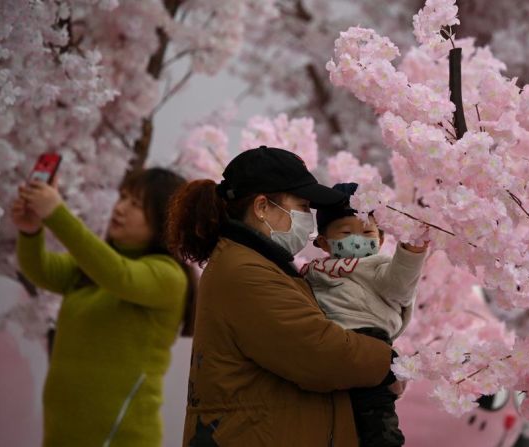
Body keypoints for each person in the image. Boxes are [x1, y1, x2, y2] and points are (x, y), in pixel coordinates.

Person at [166, 145, 398, 447]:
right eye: (302, 206)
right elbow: (321, 353)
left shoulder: (258, 263)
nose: (308, 219)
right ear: (262, 207)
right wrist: (389, 362)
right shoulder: (245, 272)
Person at [11, 167, 193, 447]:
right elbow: (42, 270)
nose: (120, 208)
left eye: (136, 205)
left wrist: (57, 214)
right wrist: (31, 232)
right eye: (123, 197)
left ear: (164, 221)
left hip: (122, 438)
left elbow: (119, 275)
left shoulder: (168, 276)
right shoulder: (95, 265)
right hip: (62, 433)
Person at [303, 182, 428, 447]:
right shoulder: (316, 269)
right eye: (346, 231)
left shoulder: (379, 267)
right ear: (324, 242)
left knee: (375, 420)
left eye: (368, 231)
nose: (357, 238)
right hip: (330, 342)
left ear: (381, 239)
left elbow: (400, 286)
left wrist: (410, 253)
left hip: (368, 340)